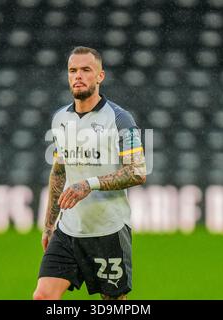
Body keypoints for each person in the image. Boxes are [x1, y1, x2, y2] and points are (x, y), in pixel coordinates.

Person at [33, 46, 147, 300]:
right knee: (43, 296)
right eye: (73, 70)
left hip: (108, 230)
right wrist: (49, 226)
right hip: (69, 229)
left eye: (86, 70)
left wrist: (89, 184)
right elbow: (59, 172)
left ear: (100, 76)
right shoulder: (60, 119)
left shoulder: (120, 119)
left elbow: (137, 172)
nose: (78, 76)